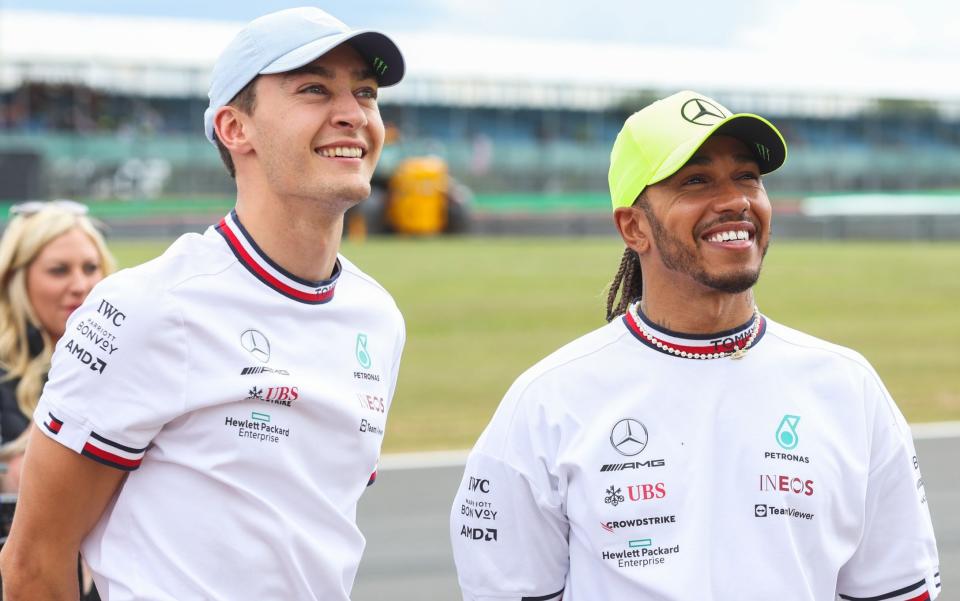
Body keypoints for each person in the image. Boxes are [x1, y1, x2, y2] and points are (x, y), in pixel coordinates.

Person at [449, 91, 940, 600]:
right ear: (633, 226)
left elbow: (898, 590)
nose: (735, 200)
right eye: (696, 181)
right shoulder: (547, 401)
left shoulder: (848, 388)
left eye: (747, 176)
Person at [0, 7, 406, 600]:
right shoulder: (149, 306)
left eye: (365, 93)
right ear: (234, 128)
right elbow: (34, 561)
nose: (352, 114)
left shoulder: (379, 318)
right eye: (315, 88)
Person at [0, 201, 114, 484]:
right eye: (59, 270)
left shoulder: (125, 360)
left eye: (90, 268)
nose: (80, 285)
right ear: (17, 279)